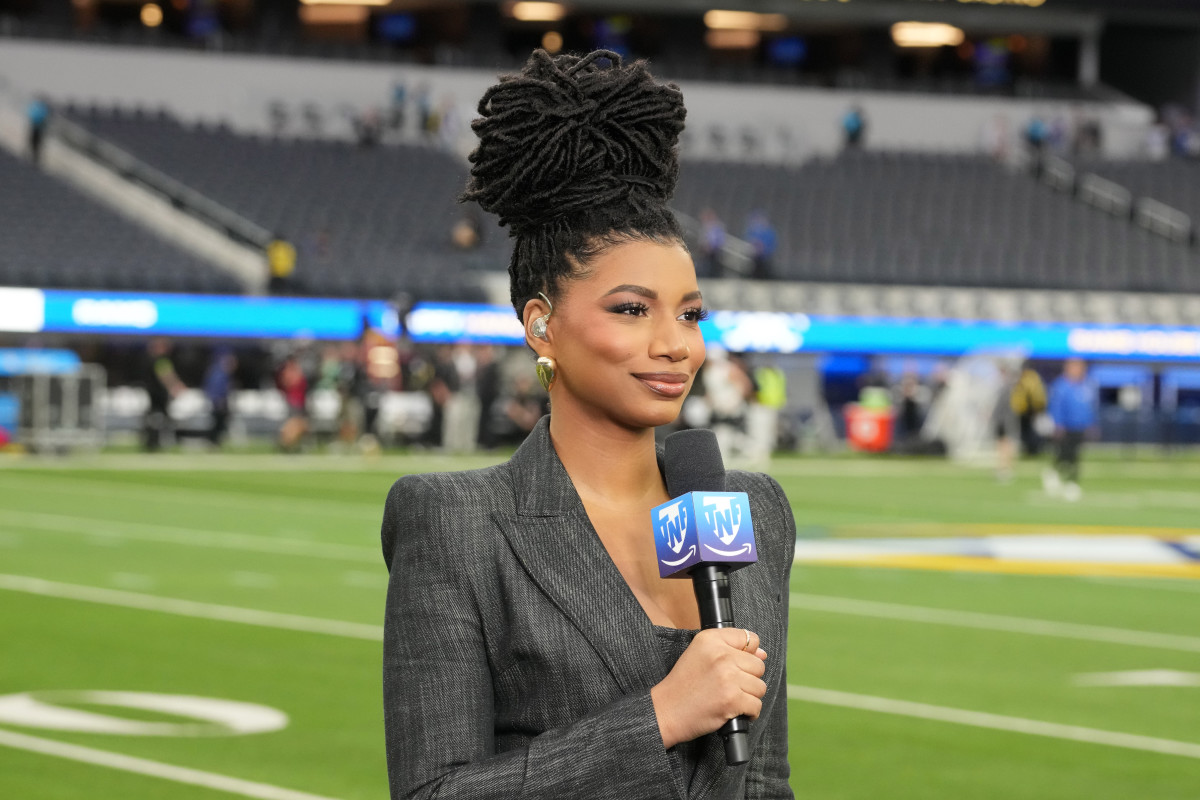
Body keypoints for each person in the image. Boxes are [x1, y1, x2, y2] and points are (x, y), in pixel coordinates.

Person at [381, 50, 795, 800]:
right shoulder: (454, 523)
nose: (676, 343)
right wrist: (660, 718)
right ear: (541, 323)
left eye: (691, 313)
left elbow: (764, 779)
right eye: (632, 309)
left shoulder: (752, 509)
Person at [1043, 357, 1097, 502]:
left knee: (1075, 456)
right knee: (1064, 454)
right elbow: (1056, 407)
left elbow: (1089, 408)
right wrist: (1058, 424)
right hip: (1066, 427)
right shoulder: (1061, 386)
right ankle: (1053, 473)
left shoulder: (1086, 385)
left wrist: (1091, 424)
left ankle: (1072, 483)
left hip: (1079, 426)